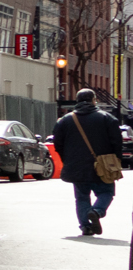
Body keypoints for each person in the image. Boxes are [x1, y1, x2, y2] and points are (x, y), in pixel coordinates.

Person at [52, 89, 123, 237]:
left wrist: (68, 159)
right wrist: (116, 160)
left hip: (76, 167)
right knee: (106, 192)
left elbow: (58, 143)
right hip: (103, 166)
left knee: (82, 196)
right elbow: (117, 142)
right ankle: (97, 211)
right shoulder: (107, 118)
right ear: (93, 100)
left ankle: (86, 226)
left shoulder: (65, 120)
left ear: (77, 101)